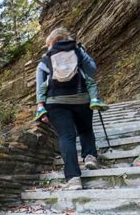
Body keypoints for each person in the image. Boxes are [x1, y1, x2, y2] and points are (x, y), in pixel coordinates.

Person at [34, 27, 108, 190]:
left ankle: (73, 178)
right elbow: (92, 70)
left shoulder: (45, 59)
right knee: (85, 129)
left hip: (55, 102)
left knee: (66, 137)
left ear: (52, 42)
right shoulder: (77, 51)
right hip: (81, 98)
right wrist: (81, 53)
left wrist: (41, 107)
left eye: (48, 44)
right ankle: (90, 156)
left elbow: (40, 85)